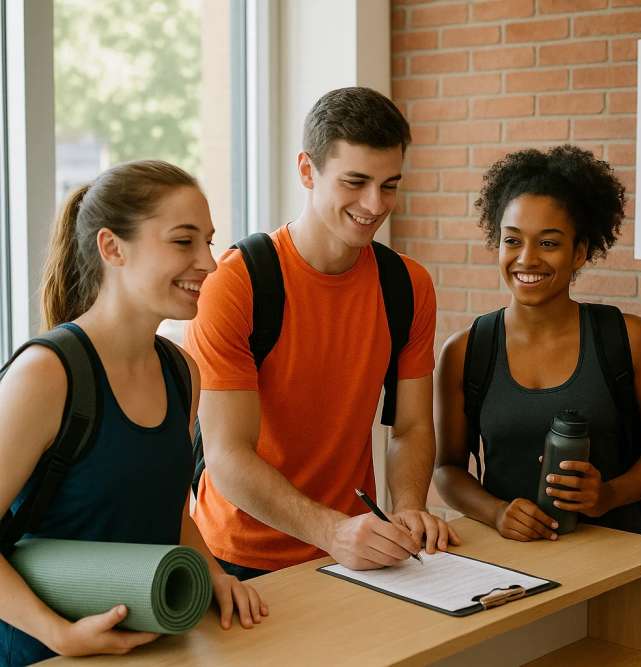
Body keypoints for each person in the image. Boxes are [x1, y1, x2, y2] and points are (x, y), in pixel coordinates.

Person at [0, 161, 265, 666]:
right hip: (44, 654)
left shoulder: (182, 371)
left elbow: (165, 507)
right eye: (183, 241)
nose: (208, 263)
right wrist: (59, 634)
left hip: (155, 645)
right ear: (112, 247)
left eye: (208, 242)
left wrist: (213, 573)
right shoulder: (45, 375)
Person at [186, 87, 456, 578]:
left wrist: (410, 504)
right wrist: (333, 531)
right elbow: (226, 454)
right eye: (355, 182)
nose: (374, 205)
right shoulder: (235, 283)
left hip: (356, 549)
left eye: (389, 185)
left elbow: (413, 427)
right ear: (308, 171)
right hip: (238, 556)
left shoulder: (409, 286)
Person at [434, 145, 641, 540]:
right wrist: (497, 512)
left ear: (580, 252)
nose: (527, 258)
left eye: (548, 243)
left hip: (615, 561)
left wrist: (609, 494)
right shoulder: (465, 351)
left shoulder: (627, 338)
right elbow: (446, 470)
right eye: (512, 241)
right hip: (509, 566)